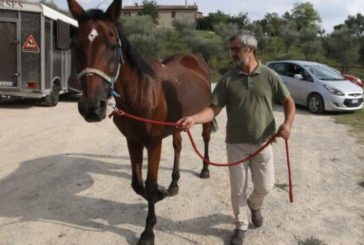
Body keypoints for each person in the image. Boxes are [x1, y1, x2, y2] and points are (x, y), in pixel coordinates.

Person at [177, 30, 296, 245]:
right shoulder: (227, 80)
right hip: (236, 144)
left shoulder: (269, 76)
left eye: (235, 49)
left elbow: (289, 102)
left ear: (249, 50)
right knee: (237, 189)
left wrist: (287, 124)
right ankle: (240, 225)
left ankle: (255, 204)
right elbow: (213, 110)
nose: (231, 53)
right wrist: (194, 118)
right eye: (230, 49)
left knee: (266, 186)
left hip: (264, 142)